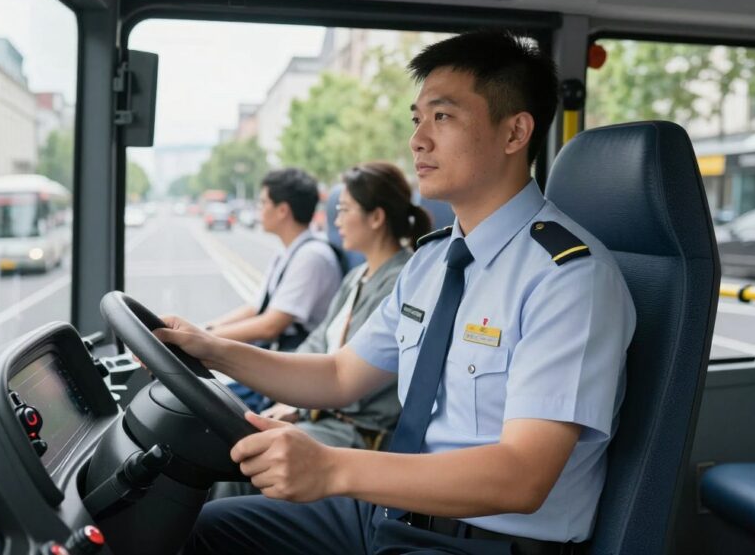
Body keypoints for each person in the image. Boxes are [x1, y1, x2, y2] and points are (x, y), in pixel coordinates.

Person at [158, 30, 636, 554]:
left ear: (515, 132)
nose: (418, 140)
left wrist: (334, 468)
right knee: (202, 529)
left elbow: (522, 476)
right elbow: (341, 374)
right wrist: (211, 349)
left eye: (443, 117)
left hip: (484, 541)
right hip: (390, 515)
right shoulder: (431, 262)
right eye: (417, 119)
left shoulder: (568, 278)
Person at [210, 161, 431, 500]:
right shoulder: (356, 277)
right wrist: (285, 396)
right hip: (325, 414)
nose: (335, 221)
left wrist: (298, 408)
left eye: (344, 210)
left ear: (376, 217)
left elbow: (356, 375)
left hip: (357, 431)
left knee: (246, 459)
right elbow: (318, 341)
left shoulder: (400, 282)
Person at [206, 168, 344, 410]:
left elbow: (271, 325)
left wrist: (205, 341)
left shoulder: (312, 257)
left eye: (263, 203)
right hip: (278, 360)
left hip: (295, 369)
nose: (259, 210)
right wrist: (209, 328)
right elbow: (257, 308)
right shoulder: (287, 252)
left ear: (282, 211)